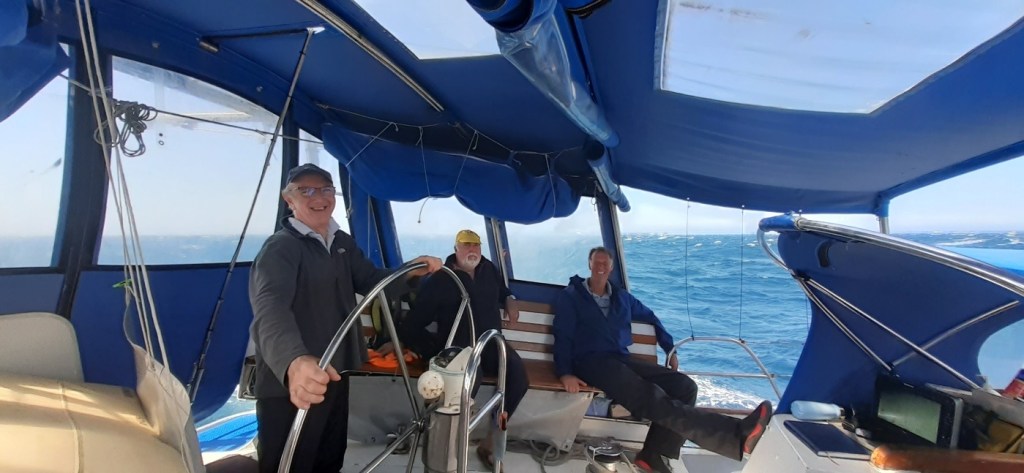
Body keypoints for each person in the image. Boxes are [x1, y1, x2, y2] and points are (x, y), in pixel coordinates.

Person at [249, 163, 442, 473]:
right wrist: (294, 362)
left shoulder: (342, 243)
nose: (318, 197)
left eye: (325, 189)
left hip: (336, 372)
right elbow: (270, 309)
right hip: (294, 383)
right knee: (290, 464)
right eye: (306, 190)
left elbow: (371, 281)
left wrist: (410, 271)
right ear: (289, 200)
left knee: (329, 458)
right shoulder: (280, 248)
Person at [553, 246, 772, 472]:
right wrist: (565, 373)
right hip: (589, 362)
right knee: (648, 396)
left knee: (684, 386)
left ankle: (653, 454)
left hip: (620, 358)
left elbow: (651, 317)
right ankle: (734, 436)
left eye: (604, 264)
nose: (600, 267)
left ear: (611, 268)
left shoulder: (622, 297)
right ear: (589, 264)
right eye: (596, 262)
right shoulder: (572, 296)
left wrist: (669, 348)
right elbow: (562, 335)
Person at [380, 229, 529, 470]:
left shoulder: (489, 269)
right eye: (466, 245)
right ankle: (451, 450)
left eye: (476, 245)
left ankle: (491, 441)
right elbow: (414, 323)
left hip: (492, 344)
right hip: (460, 351)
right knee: (466, 387)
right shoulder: (441, 280)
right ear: (455, 249)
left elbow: (502, 291)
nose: (472, 249)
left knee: (519, 378)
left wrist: (510, 298)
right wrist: (423, 348)